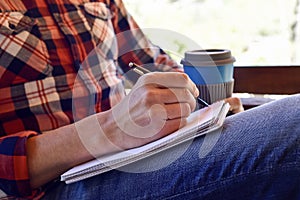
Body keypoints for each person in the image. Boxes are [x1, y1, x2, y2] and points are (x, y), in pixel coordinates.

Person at [0, 0, 299, 199]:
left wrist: (201, 104)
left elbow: (148, 62)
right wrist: (110, 128)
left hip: (133, 158)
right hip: (48, 189)